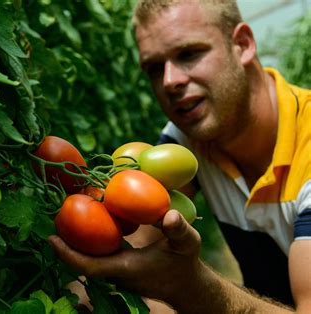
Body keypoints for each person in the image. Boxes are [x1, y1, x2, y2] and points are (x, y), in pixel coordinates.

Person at [48, 0, 311, 312]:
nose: (169, 81)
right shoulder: (188, 138)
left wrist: (192, 286)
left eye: (188, 54)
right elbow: (133, 238)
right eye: (154, 68)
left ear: (242, 44)